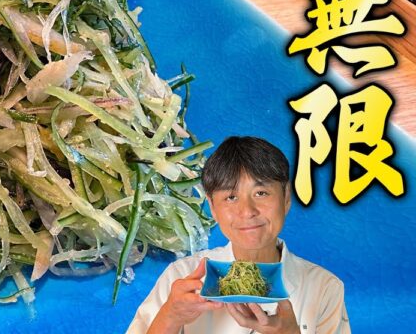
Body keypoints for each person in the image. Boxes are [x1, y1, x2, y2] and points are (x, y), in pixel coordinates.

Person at [126, 136, 350, 334]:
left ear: (286, 197)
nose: (247, 211)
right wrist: (170, 316)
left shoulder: (325, 287)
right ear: (212, 207)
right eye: (231, 197)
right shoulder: (181, 276)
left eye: (261, 193)